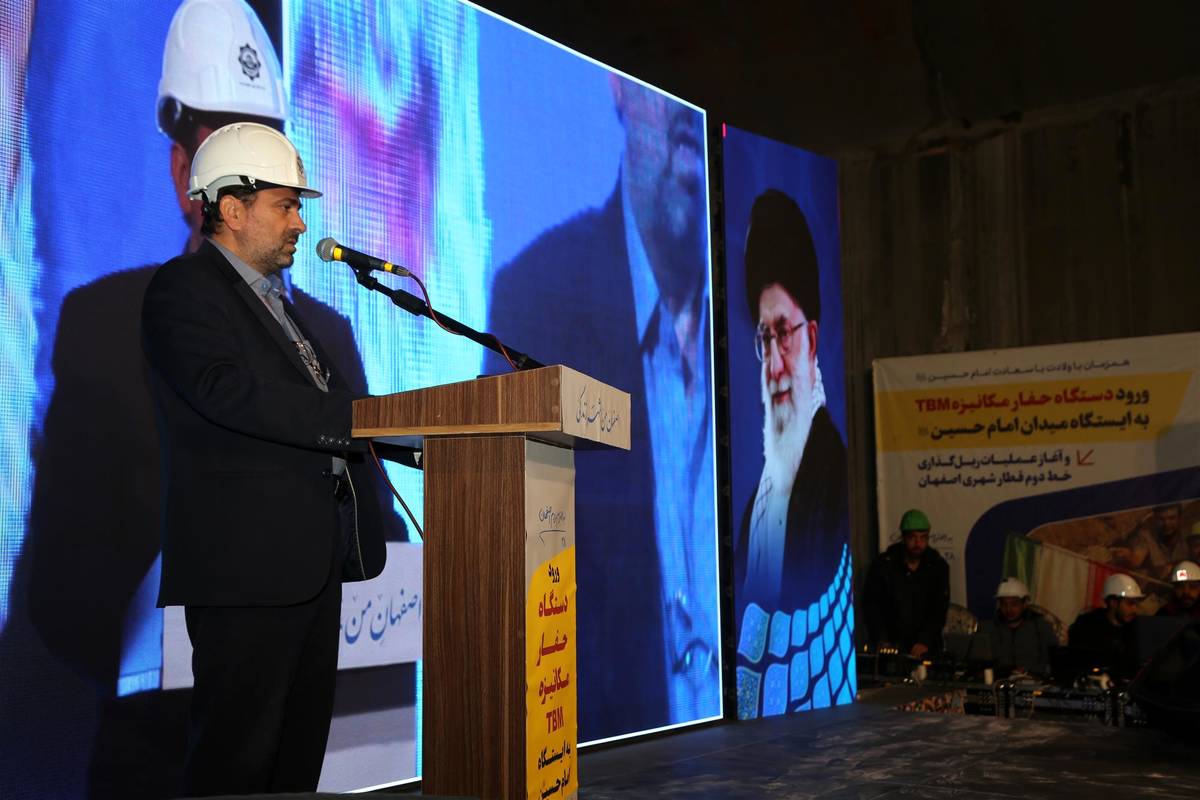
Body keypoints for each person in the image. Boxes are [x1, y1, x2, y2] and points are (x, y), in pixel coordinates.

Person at [141, 122, 386, 796]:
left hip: (309, 568)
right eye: (286, 205)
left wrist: (417, 439)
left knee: (296, 763)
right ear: (232, 208)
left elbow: (325, 404)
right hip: (246, 572)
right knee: (236, 765)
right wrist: (362, 422)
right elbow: (227, 392)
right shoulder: (184, 289)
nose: (300, 224)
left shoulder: (284, 307)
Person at [485, 74, 717, 737]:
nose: (685, 112)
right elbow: (509, 574)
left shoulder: (757, 315)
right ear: (618, 89)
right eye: (662, 81)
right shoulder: (538, 299)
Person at [733, 189, 848, 618]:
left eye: (784, 334)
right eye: (765, 339)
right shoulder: (757, 504)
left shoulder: (833, 476)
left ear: (812, 339)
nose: (774, 364)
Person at [863, 509, 951, 659]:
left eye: (923, 538)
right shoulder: (883, 565)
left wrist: (925, 641)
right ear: (903, 538)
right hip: (891, 646)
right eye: (913, 537)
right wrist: (882, 640)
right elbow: (872, 606)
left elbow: (938, 610)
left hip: (926, 648)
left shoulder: (938, 566)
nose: (918, 543)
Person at [970, 578, 1055, 677]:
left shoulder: (1041, 626)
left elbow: (1051, 660)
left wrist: (1030, 672)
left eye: (1014, 604)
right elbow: (978, 662)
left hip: (1033, 680)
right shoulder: (988, 628)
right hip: (998, 681)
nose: (1008, 609)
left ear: (1024, 604)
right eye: (1004, 604)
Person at [1067, 573, 1143, 682]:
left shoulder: (1133, 629)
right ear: (1113, 603)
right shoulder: (1089, 626)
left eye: (1136, 604)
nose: (1135, 610)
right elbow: (1077, 663)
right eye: (1130, 604)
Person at [1117, 503, 1187, 582]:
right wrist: (1129, 556)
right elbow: (1136, 558)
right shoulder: (1145, 535)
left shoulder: (1187, 534)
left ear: (1179, 518)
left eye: (1171, 518)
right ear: (1154, 518)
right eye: (1161, 519)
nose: (1166, 524)